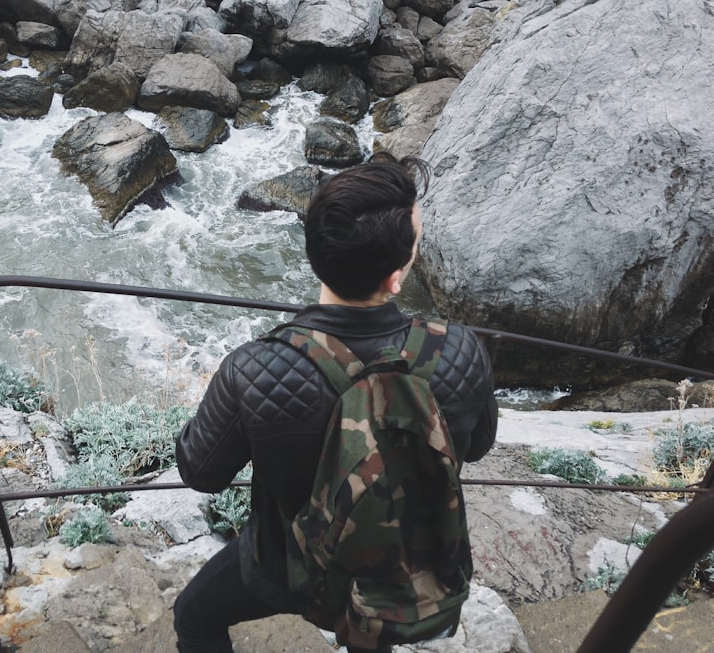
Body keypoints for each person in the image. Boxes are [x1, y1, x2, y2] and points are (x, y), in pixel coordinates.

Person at [173, 154, 498, 653]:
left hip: (285, 568)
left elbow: (201, 473)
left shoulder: (253, 367)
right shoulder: (459, 350)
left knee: (194, 618)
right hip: (397, 572)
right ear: (396, 279)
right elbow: (475, 447)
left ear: (317, 253)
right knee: (372, 626)